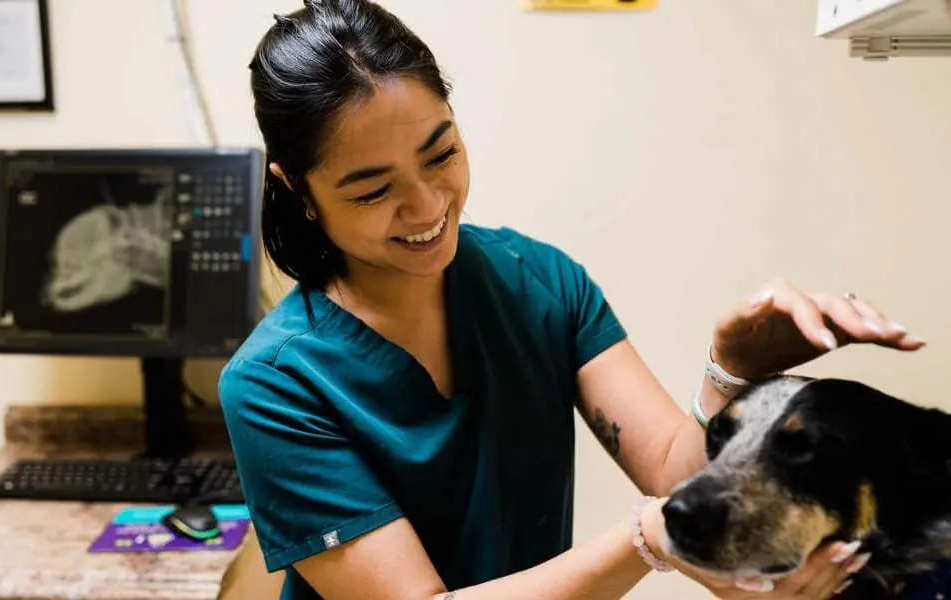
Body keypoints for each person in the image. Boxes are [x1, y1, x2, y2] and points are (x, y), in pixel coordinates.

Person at [217, 1, 926, 599]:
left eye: (441, 154)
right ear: (296, 190)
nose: (427, 205)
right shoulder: (274, 385)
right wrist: (650, 538)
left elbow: (672, 472)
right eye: (374, 190)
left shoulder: (539, 282)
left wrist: (733, 367)